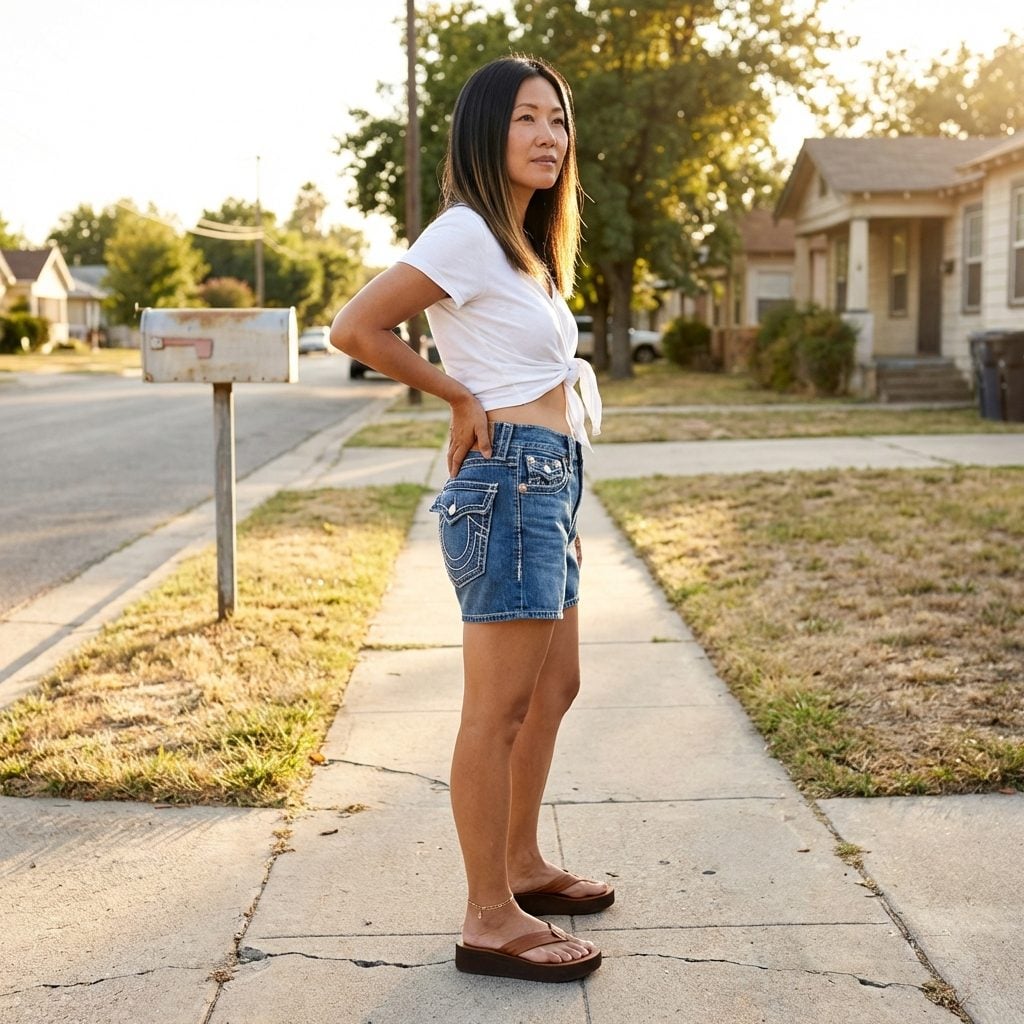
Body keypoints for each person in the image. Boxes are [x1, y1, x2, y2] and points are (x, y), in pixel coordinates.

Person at [330, 55, 610, 984]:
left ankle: (521, 866)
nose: (548, 136)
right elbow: (356, 328)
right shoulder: (464, 233)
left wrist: (564, 498)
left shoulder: (523, 248)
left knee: (555, 688)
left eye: (558, 120)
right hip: (512, 478)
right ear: (487, 131)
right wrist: (455, 395)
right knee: (497, 710)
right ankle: (488, 915)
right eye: (527, 118)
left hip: (549, 483)